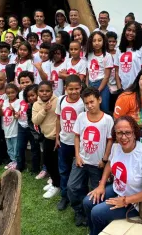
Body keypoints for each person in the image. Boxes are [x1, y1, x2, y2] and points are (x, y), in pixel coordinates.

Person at [83, 116, 142, 235]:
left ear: (135, 133)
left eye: (128, 133)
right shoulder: (116, 147)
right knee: (88, 202)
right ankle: (94, 229)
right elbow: (109, 163)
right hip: (118, 189)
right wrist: (101, 185)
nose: (123, 137)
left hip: (135, 201)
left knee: (96, 212)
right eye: (119, 133)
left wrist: (125, 200)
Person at [68, 87, 114, 226]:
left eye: (92, 102)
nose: (90, 105)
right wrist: (77, 155)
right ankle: (79, 211)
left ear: (99, 99)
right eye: (86, 103)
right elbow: (77, 137)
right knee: (72, 186)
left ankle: (92, 215)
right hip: (81, 160)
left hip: (97, 163)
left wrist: (105, 159)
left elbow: (110, 140)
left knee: (96, 193)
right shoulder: (82, 117)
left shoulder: (107, 119)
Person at [55, 75, 85, 209]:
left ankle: (80, 196)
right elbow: (58, 120)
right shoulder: (61, 100)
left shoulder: (83, 103)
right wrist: (57, 137)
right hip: (64, 142)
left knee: (80, 172)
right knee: (63, 170)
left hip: (78, 145)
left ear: (81, 88)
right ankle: (64, 196)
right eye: (70, 89)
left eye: (76, 88)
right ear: (65, 88)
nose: (74, 91)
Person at [32, 81, 60, 195]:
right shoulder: (36, 105)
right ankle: (55, 181)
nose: (44, 93)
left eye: (47, 91)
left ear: (52, 91)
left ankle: (57, 185)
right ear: (38, 92)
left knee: (54, 163)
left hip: (57, 137)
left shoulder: (57, 101)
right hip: (46, 136)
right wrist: (44, 110)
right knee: (48, 162)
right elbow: (35, 121)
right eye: (41, 91)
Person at [16, 71, 40, 174]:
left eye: (27, 82)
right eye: (22, 82)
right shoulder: (20, 94)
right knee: (20, 147)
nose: (25, 84)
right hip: (22, 124)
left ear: (33, 81)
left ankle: (35, 168)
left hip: (33, 126)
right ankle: (20, 166)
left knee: (35, 148)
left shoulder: (36, 94)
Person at [114, 21, 142, 90]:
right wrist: (120, 88)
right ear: (125, 31)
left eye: (134, 31)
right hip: (123, 90)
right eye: (129, 30)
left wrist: (136, 88)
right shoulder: (119, 50)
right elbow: (116, 71)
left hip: (137, 89)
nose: (130, 33)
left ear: (138, 34)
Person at [86, 31, 113, 112]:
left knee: (104, 108)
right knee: (91, 108)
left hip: (102, 85)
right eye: (94, 41)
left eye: (99, 40)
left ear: (103, 41)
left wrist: (98, 90)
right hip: (90, 84)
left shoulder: (107, 56)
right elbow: (88, 72)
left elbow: (107, 76)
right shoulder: (89, 54)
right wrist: (88, 85)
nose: (96, 43)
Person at [1, 83, 21, 170]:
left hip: (14, 130)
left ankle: (16, 162)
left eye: (12, 92)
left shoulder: (19, 102)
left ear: (16, 92)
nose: (10, 95)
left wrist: (13, 110)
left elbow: (17, 117)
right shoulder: (5, 102)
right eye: (8, 93)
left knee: (15, 147)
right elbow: (2, 114)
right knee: (9, 147)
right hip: (6, 129)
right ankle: (12, 160)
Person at [106, 31, 122, 113]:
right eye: (109, 41)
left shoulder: (119, 53)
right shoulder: (103, 54)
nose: (112, 43)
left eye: (114, 41)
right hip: (106, 85)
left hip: (117, 85)